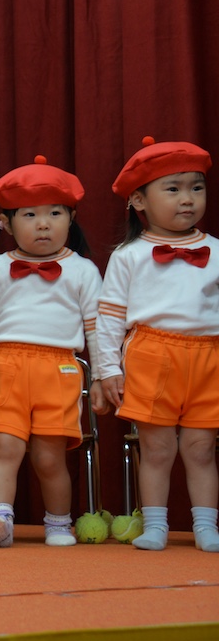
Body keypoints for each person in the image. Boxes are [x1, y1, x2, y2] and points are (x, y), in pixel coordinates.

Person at [0, 157, 105, 547]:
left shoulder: (84, 270)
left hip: (60, 370)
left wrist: (103, 375)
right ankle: (1, 518)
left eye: (55, 213)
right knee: (5, 448)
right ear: (6, 223)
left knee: (50, 456)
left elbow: (96, 329)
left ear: (71, 219)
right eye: (30, 215)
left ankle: (58, 523)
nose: (43, 224)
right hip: (4, 366)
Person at [97, 137, 217, 552]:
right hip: (151, 354)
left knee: (202, 449)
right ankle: (155, 525)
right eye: (173, 189)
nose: (187, 199)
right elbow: (109, 318)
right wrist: (108, 369)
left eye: (196, 188)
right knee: (157, 448)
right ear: (138, 201)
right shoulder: (128, 255)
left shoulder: (216, 251)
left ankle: (206, 527)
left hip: (209, 357)